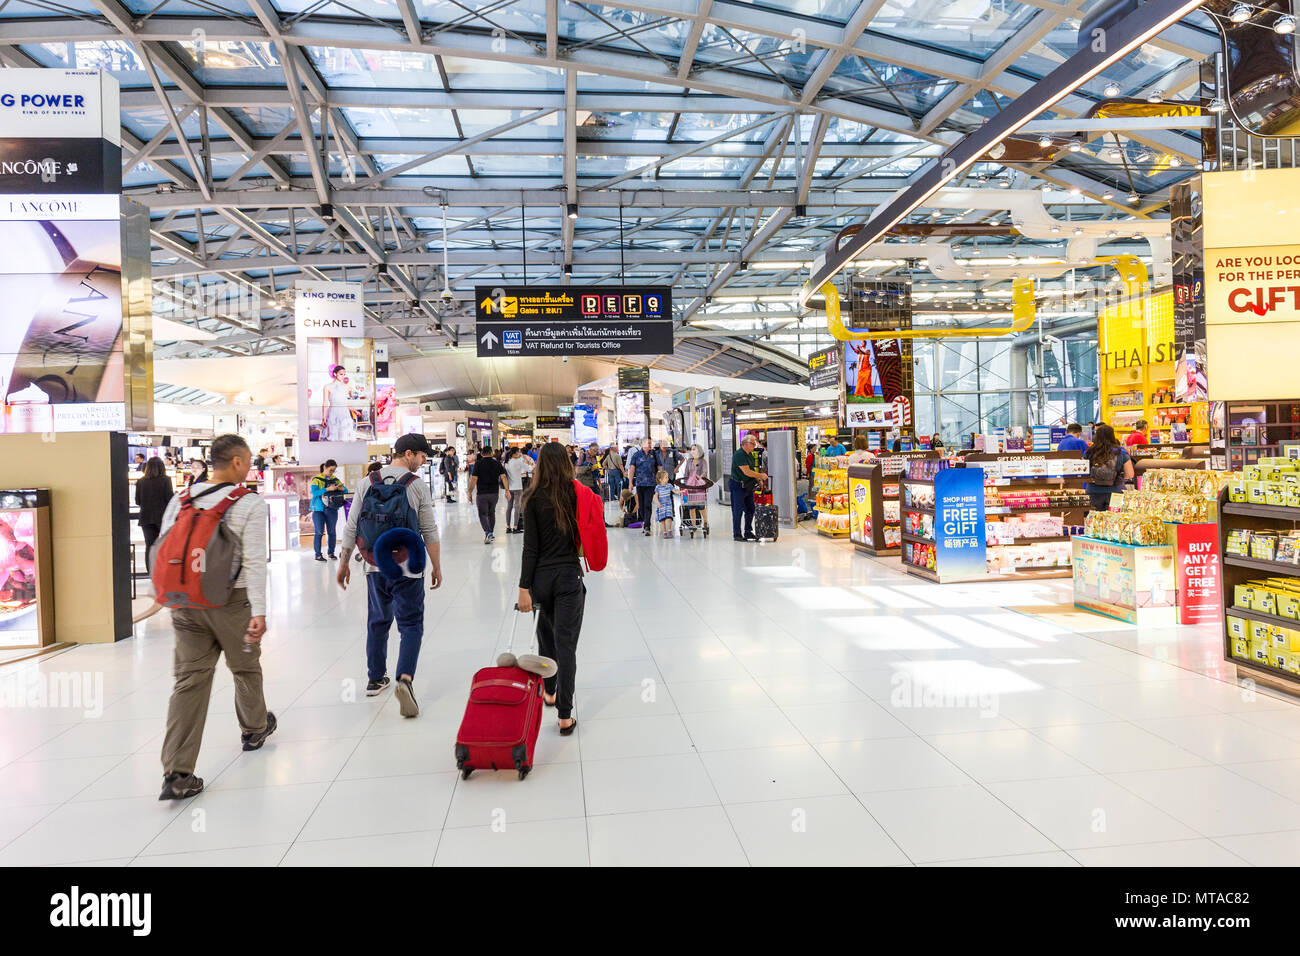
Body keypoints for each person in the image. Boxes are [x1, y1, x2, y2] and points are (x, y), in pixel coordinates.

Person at [157, 434, 272, 800]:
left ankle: (177, 771)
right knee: (245, 666)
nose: (251, 466)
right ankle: (254, 729)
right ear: (236, 462)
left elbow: (163, 546)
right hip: (230, 602)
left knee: (189, 681)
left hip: (186, 602)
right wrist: (260, 611)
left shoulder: (182, 498)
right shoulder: (248, 503)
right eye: (249, 460)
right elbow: (254, 561)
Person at [338, 433, 443, 714]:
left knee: (378, 620)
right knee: (410, 624)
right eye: (421, 456)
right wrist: (436, 566)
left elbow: (352, 526)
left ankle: (375, 679)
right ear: (408, 453)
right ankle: (405, 679)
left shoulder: (366, 482)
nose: (423, 462)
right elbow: (429, 530)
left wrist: (344, 562)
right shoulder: (416, 485)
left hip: (374, 564)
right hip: (407, 566)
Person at [517, 443, 585, 735]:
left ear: (540, 464)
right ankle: (565, 716)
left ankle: (549, 691)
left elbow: (530, 548)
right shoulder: (577, 494)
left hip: (541, 581)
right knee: (566, 645)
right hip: (570, 576)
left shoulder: (532, 498)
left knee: (546, 639)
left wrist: (523, 587)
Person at [1084, 423, 1135, 512]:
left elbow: (1083, 473)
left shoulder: (1089, 452)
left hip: (1093, 492)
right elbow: (1130, 474)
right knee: (1114, 521)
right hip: (1116, 492)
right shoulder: (1121, 452)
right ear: (1112, 436)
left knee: (1094, 521)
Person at [135, 456, 173, 572]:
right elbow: (169, 499)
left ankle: (151, 572)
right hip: (162, 519)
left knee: (149, 546)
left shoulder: (141, 481)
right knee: (165, 546)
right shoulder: (166, 480)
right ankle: (163, 572)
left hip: (146, 518)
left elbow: (137, 501)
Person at [729, 433, 768, 541]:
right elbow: (746, 471)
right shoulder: (739, 454)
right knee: (738, 510)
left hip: (747, 486)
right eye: (753, 444)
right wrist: (760, 476)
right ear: (746, 444)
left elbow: (752, 469)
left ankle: (748, 532)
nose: (754, 446)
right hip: (737, 485)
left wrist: (758, 479)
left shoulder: (750, 454)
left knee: (751, 509)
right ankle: (737, 534)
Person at [468, 445, 509, 544]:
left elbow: (474, 478)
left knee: (483, 514)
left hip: (482, 493)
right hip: (494, 493)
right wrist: (507, 490)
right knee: (491, 513)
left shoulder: (478, 463)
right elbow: (503, 477)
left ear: (482, 454)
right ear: (491, 453)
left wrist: (469, 492)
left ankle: (488, 532)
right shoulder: (497, 463)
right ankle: (491, 532)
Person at [309, 459, 348, 561]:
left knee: (332, 532)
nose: (332, 473)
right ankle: (318, 555)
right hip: (318, 510)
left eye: (333, 471)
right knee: (319, 532)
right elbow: (314, 493)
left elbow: (346, 490)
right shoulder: (316, 479)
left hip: (332, 509)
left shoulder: (335, 479)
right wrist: (327, 489)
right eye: (330, 470)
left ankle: (331, 553)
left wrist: (341, 488)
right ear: (325, 467)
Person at [672, 444, 714, 533]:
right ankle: (693, 526)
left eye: (694, 449)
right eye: (691, 449)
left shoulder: (703, 461)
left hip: (699, 486)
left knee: (701, 506)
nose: (692, 451)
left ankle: (705, 521)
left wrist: (698, 477)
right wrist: (685, 484)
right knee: (691, 507)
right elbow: (686, 474)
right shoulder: (689, 461)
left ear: (699, 450)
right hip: (690, 486)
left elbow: (705, 472)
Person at [627, 438, 658, 536]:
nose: (649, 444)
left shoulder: (654, 454)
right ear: (642, 444)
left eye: (650, 443)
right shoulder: (636, 455)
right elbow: (632, 469)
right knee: (641, 506)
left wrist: (661, 481)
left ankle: (647, 526)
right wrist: (630, 483)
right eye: (647, 443)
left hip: (651, 483)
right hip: (639, 483)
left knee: (647, 504)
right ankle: (645, 521)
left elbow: (659, 467)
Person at [320, 364, 356, 441]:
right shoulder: (327, 387)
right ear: (335, 374)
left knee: (345, 436)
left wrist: (354, 410)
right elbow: (325, 403)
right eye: (341, 374)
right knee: (334, 436)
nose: (343, 376)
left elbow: (345, 403)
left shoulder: (346, 387)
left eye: (344, 374)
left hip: (344, 413)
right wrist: (324, 418)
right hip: (333, 412)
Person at [504, 447, 530, 534]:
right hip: (518, 487)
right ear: (515, 453)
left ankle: (508, 527)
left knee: (509, 506)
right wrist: (525, 459)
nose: (520, 454)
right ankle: (515, 527)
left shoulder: (507, 462)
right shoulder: (519, 461)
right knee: (517, 507)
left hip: (509, 487)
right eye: (519, 452)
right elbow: (529, 468)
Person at [653, 469, 675, 537]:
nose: (668, 479)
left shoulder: (669, 485)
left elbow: (675, 491)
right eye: (666, 477)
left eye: (667, 477)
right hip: (661, 505)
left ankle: (669, 530)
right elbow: (655, 496)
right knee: (662, 519)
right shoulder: (658, 487)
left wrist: (682, 491)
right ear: (660, 479)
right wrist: (658, 502)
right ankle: (664, 532)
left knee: (669, 517)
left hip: (668, 504)